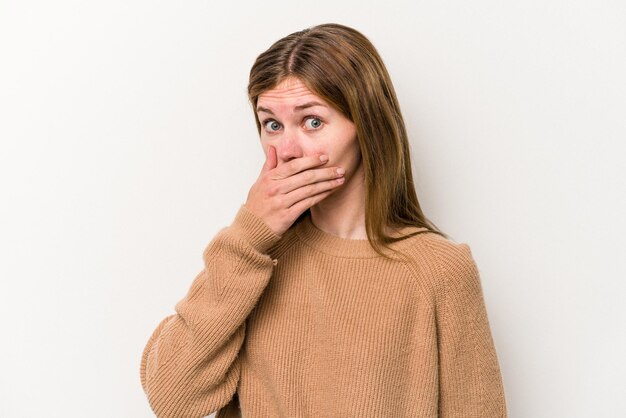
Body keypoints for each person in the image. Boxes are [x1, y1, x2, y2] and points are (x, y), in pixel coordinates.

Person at [140, 23, 508, 417]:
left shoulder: (438, 270)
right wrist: (248, 237)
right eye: (272, 124)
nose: (288, 148)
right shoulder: (251, 260)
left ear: (367, 126)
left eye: (312, 121)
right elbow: (171, 399)